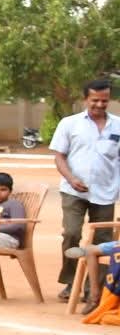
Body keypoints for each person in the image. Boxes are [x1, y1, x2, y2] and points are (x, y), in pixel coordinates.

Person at [51, 79, 117, 302]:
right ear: (85, 99)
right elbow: (59, 156)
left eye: (104, 100)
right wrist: (71, 178)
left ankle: (94, 288)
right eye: (95, 100)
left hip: (106, 192)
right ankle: (71, 282)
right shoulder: (70, 124)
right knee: (71, 233)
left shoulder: (117, 125)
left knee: (102, 241)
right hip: (73, 191)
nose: (99, 104)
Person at [0, 172, 28, 251]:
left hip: (10, 239)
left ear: (10, 191)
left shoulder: (14, 204)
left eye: (3, 189)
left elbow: (18, 226)